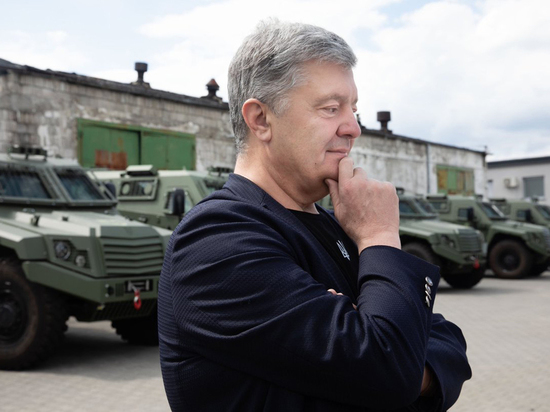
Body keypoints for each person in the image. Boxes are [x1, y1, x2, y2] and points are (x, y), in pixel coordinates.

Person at [158, 19, 471, 412]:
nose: (353, 128)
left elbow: (447, 344)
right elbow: (389, 369)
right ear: (261, 120)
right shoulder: (217, 240)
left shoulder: (338, 225)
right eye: (330, 108)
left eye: (354, 109)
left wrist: (398, 353)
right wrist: (379, 236)